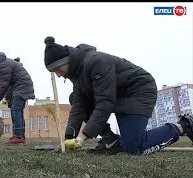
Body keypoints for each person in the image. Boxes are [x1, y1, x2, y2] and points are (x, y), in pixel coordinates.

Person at [43, 36, 193, 155]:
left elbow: (105, 103)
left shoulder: (96, 62)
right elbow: (78, 106)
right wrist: (68, 138)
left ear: (66, 60)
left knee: (134, 147)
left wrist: (82, 138)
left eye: (57, 69)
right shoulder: (75, 73)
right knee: (75, 98)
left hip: (138, 92)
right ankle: (111, 141)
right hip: (117, 95)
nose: (58, 75)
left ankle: (184, 126)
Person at [0, 52, 35, 144]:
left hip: (22, 86)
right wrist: (8, 99)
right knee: (18, 111)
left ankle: (18, 136)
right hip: (20, 86)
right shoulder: (2, 63)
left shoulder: (2, 65)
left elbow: (4, 86)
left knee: (16, 110)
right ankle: (20, 136)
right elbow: (9, 85)